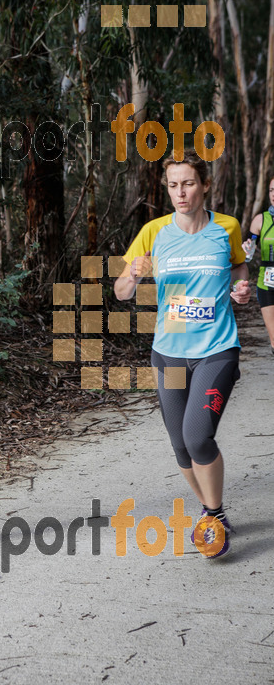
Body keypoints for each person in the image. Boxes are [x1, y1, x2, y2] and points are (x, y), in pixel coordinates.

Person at [115, 151, 251, 559]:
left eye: (188, 183)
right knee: (180, 446)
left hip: (216, 350)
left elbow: (239, 271)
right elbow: (121, 292)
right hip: (168, 353)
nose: (180, 192)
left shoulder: (225, 227)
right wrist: (134, 274)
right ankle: (214, 512)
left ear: (205, 185)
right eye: (173, 185)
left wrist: (240, 290)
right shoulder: (153, 231)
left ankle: (213, 515)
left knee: (197, 436)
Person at [242, 177, 274, 354]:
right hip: (267, 283)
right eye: (271, 190)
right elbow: (248, 250)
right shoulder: (260, 220)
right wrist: (246, 249)